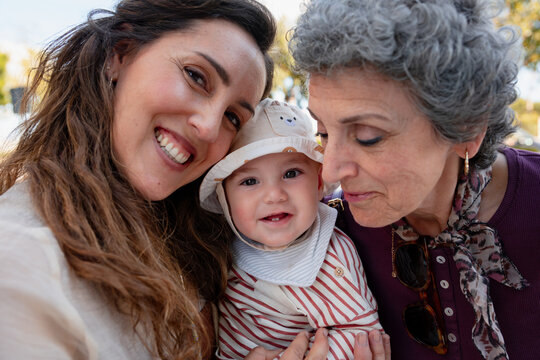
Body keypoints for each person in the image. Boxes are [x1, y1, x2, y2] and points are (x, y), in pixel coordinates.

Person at [0, 0, 276, 358]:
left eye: (233, 118)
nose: (209, 128)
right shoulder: (20, 255)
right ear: (121, 54)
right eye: (196, 76)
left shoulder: (201, 241)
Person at [289, 0, 539, 359]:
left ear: (466, 129)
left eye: (368, 136)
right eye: (324, 132)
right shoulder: (325, 237)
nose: (329, 171)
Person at [199, 99, 384, 359]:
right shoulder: (222, 244)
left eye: (291, 173)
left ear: (319, 182)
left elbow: (361, 331)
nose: (274, 195)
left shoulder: (328, 256)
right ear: (224, 198)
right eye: (250, 181)